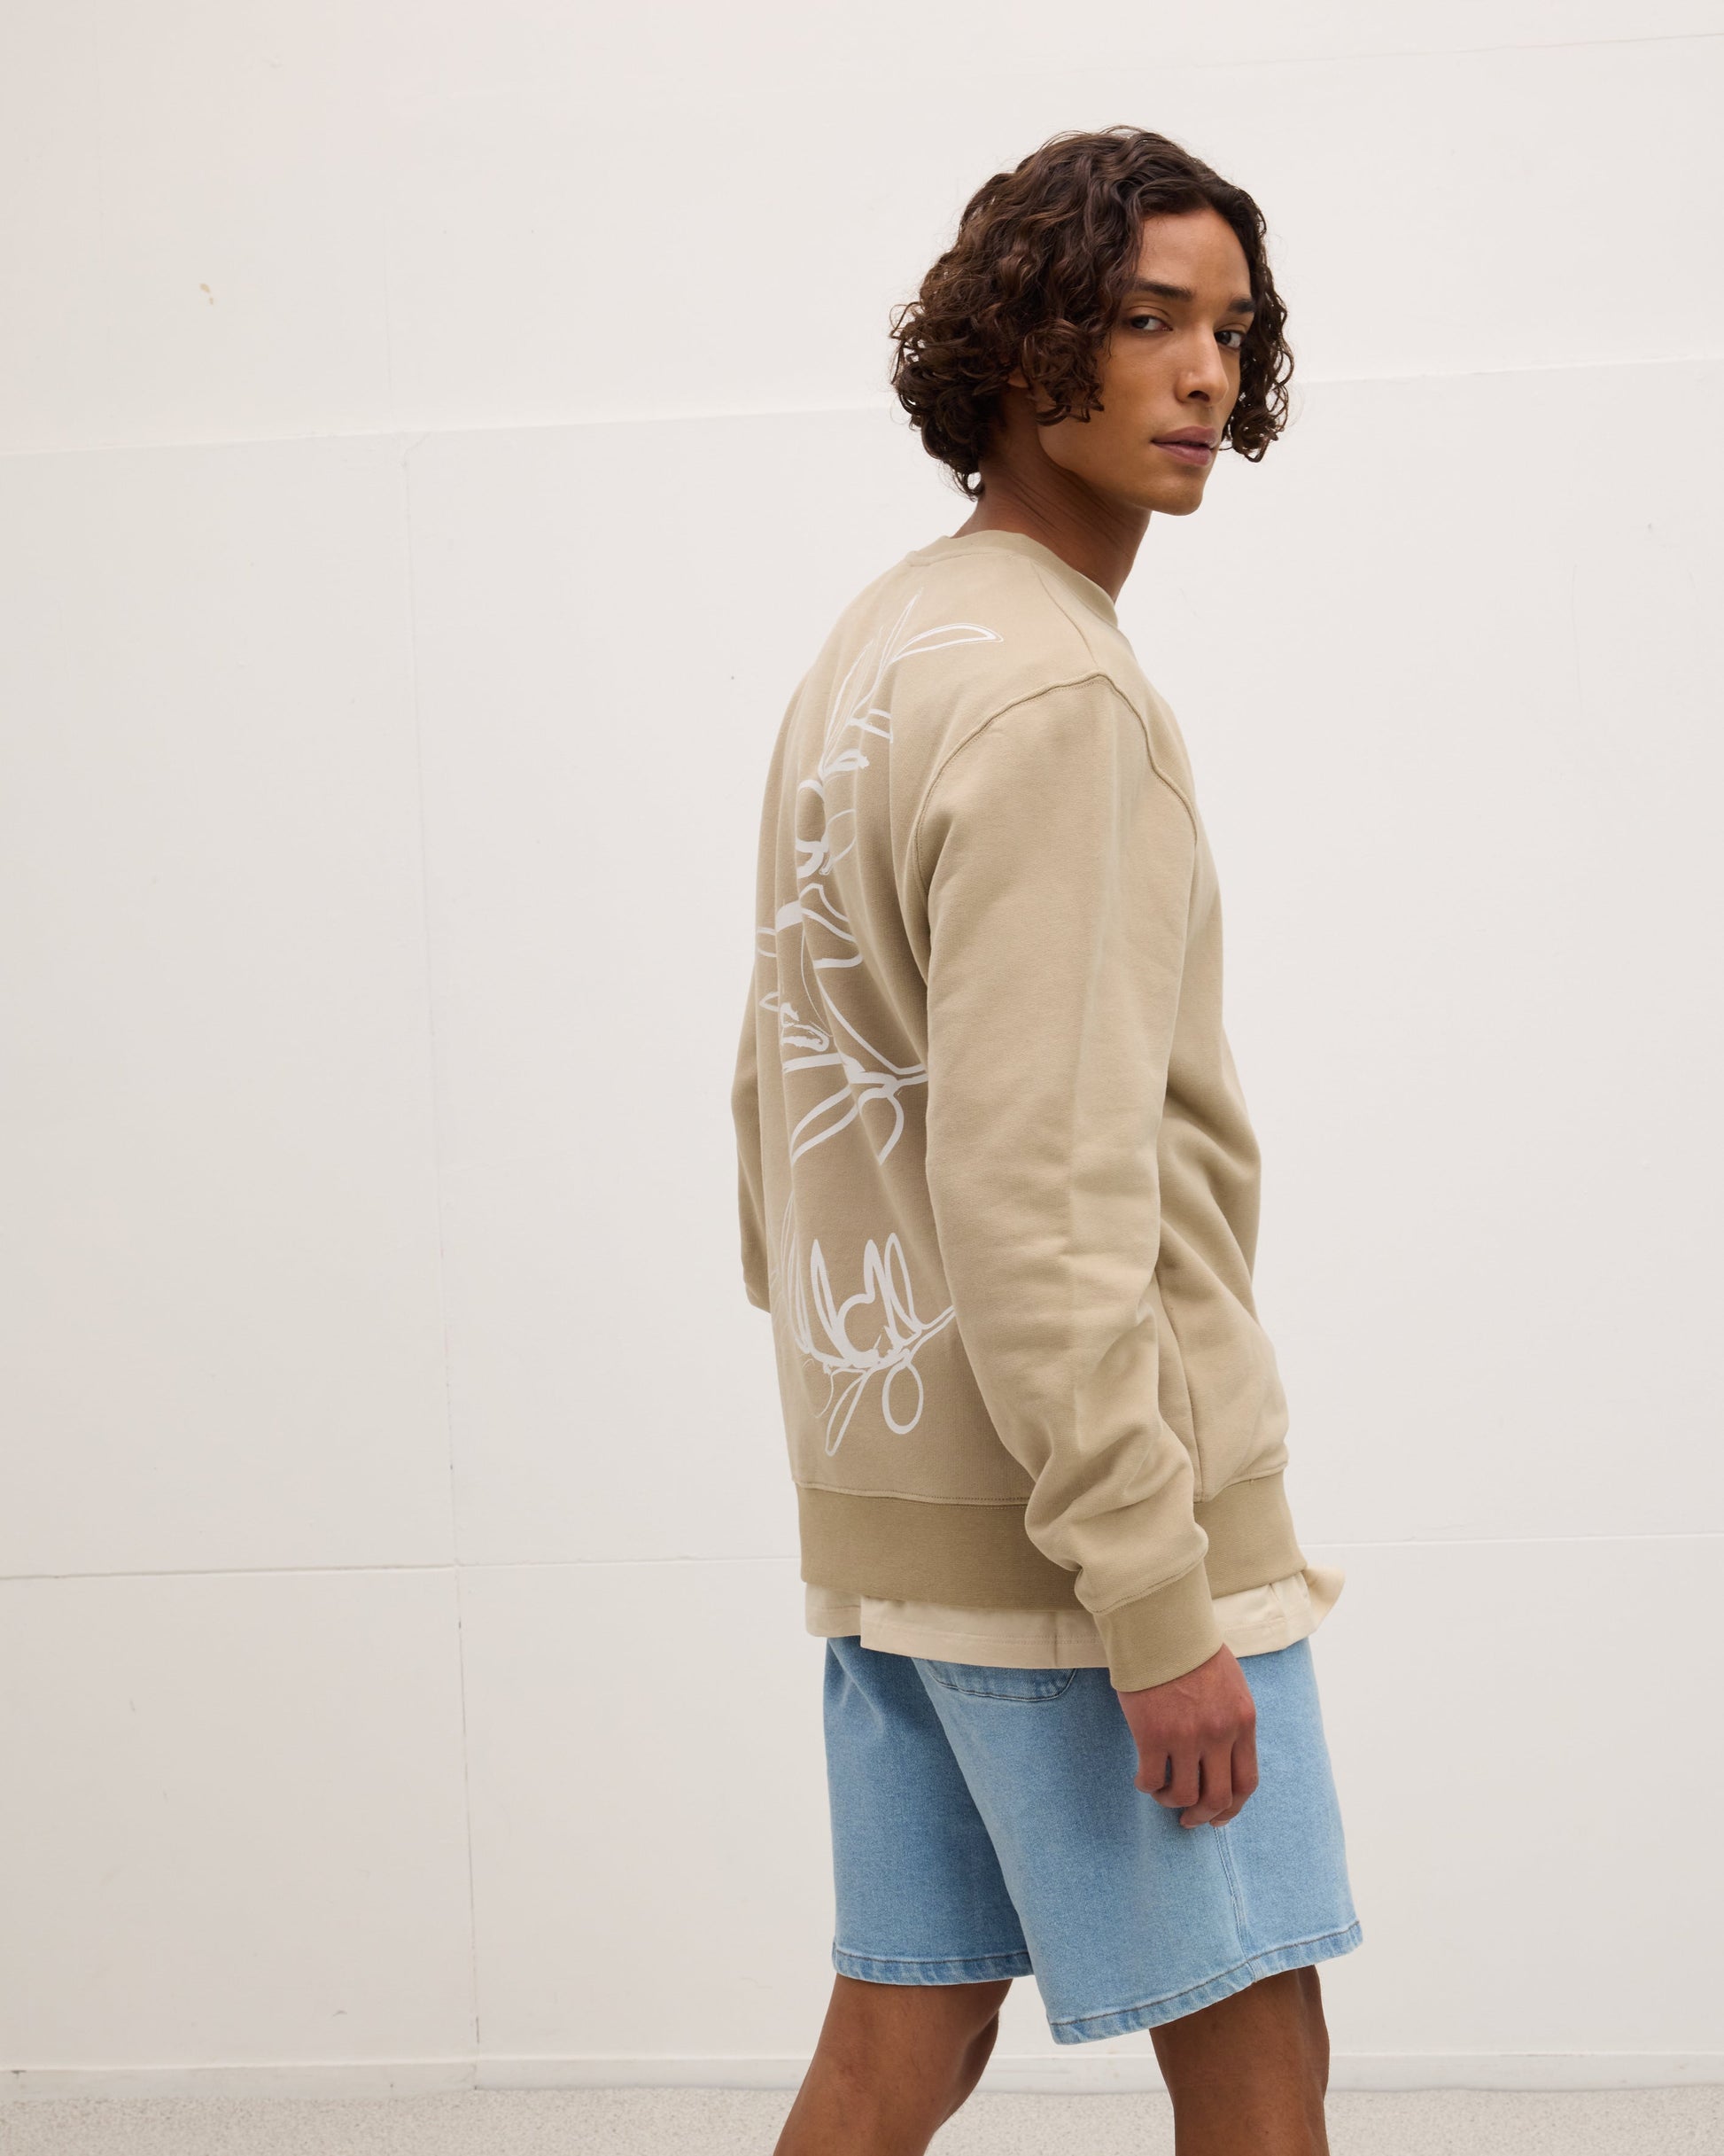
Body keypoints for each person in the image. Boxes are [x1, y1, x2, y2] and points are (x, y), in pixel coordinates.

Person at [730, 124, 1363, 2156]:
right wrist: (1153, 1595)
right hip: (1086, 1544)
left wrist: (866, 1406)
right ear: (1022, 349)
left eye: (1230, 330)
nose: (1202, 374)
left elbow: (773, 1091)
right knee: (1258, 2047)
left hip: (898, 1509)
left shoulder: (882, 642)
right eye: (1146, 319)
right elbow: (1044, 1187)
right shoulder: (1057, 699)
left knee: (896, 2040)